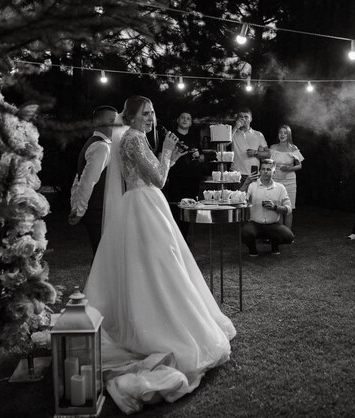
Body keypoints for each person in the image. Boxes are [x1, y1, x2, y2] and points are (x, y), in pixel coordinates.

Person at [83, 96, 236, 414]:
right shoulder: (135, 138)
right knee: (163, 267)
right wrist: (167, 151)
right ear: (132, 115)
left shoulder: (127, 138)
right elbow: (159, 179)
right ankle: (166, 328)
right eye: (146, 113)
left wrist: (169, 157)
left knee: (151, 268)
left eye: (153, 112)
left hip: (139, 206)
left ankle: (148, 317)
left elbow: (149, 172)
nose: (151, 118)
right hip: (146, 207)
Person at [69, 105, 118, 256]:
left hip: (100, 210)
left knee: (104, 257)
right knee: (103, 257)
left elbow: (78, 178)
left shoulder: (98, 143)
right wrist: (79, 210)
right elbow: (86, 181)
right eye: (111, 121)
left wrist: (75, 205)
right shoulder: (101, 146)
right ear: (97, 123)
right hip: (98, 212)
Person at [239, 159, 294, 256]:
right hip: (255, 224)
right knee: (245, 232)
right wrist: (246, 183)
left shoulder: (280, 187)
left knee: (289, 236)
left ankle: (275, 244)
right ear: (259, 171)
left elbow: (288, 209)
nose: (265, 172)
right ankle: (252, 249)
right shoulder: (252, 185)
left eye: (268, 169)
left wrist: (275, 207)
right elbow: (239, 199)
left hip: (273, 225)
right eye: (263, 169)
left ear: (274, 172)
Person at [163, 111, 204, 238]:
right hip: (176, 178)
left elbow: (201, 157)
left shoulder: (195, 137)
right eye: (182, 118)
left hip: (192, 179)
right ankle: (175, 237)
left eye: (188, 118)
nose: (185, 120)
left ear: (191, 122)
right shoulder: (171, 136)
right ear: (178, 120)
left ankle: (185, 239)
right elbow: (163, 154)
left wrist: (198, 156)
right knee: (175, 210)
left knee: (189, 210)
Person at [269, 125, 304, 230]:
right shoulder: (273, 148)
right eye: (280, 132)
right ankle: (279, 234)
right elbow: (270, 165)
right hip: (276, 181)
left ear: (288, 135)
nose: (282, 135)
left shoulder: (293, 148)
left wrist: (289, 168)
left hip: (290, 182)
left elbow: (299, 165)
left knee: (288, 209)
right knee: (278, 209)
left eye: (285, 133)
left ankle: (288, 235)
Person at [231, 107, 270, 183]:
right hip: (236, 174)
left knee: (253, 195)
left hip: (253, 174)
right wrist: (235, 127)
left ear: (251, 119)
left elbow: (268, 154)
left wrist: (255, 152)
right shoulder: (233, 133)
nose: (243, 119)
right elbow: (224, 144)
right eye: (241, 117)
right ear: (237, 119)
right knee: (236, 195)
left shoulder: (258, 135)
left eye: (246, 117)